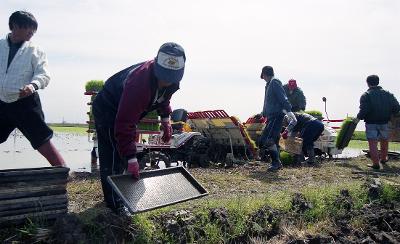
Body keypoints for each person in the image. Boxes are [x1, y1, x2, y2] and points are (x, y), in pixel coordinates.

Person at [92, 42, 186, 212]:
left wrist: (166, 119)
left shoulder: (173, 82)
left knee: (122, 156)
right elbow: (124, 123)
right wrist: (132, 158)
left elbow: (164, 97)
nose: (166, 81)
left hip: (125, 112)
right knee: (113, 155)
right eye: (163, 75)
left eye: (171, 77)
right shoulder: (139, 84)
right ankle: (114, 205)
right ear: (157, 65)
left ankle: (119, 192)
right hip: (108, 108)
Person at [0, 11, 66, 167]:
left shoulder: (36, 50)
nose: (32, 32)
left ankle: (63, 172)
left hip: (25, 103)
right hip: (1, 103)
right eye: (28, 28)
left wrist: (32, 86)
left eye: (33, 29)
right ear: (15, 26)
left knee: (42, 140)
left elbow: (44, 74)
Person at [355, 75, 400, 170]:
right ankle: (383, 159)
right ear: (378, 82)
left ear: (367, 83)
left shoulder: (366, 95)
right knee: (384, 140)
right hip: (385, 122)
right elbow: (396, 107)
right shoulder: (388, 94)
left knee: (372, 142)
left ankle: (375, 163)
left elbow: (364, 110)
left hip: (371, 123)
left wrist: (358, 118)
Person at [258, 66, 296, 171]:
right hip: (270, 117)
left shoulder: (275, 82)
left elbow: (282, 97)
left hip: (276, 116)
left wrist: (288, 110)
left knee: (270, 140)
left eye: (263, 76)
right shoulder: (269, 84)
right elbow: (269, 102)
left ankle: (276, 163)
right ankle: (273, 160)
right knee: (263, 140)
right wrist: (263, 113)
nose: (263, 78)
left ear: (265, 74)